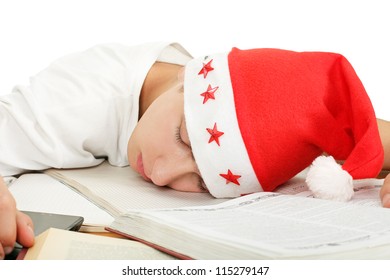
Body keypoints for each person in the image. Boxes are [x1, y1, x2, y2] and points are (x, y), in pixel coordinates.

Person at [2, 43, 390, 259]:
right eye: (183, 138)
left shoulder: (212, 100)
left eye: (202, 181)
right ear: (182, 78)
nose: (161, 172)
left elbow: (357, 126)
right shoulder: (72, 103)